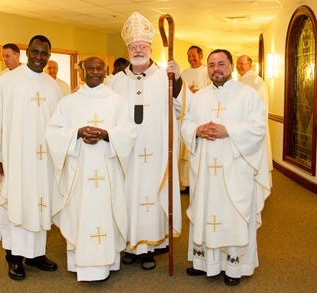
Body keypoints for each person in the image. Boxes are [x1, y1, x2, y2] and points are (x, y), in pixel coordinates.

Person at [0, 35, 60, 280]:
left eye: (44, 54)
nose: (39, 57)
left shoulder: (52, 86)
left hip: (43, 162)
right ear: (27, 51)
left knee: (39, 204)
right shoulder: (7, 81)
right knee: (16, 202)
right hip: (15, 158)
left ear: (48, 56)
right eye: (35, 52)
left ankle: (36, 254)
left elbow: (59, 125)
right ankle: (14, 258)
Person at [181, 49, 271, 286]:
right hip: (206, 171)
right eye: (211, 65)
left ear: (230, 66)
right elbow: (186, 124)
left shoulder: (248, 95)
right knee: (205, 211)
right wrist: (197, 131)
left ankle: (234, 267)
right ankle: (203, 263)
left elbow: (258, 127)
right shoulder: (199, 96)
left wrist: (227, 130)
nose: (216, 69)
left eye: (221, 64)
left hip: (235, 170)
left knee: (232, 214)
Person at [46, 56, 137, 282]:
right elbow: (53, 131)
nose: (95, 72)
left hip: (108, 170)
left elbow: (128, 132)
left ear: (105, 72)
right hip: (80, 170)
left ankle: (108, 262)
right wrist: (77, 133)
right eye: (90, 69)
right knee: (80, 211)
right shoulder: (69, 102)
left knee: (106, 211)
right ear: (82, 72)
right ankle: (80, 263)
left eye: (99, 69)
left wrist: (107, 135)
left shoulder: (118, 101)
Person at [109, 11, 182, 270]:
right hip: (127, 154)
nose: (138, 49)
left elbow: (182, 107)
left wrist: (180, 80)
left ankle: (149, 248)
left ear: (151, 49)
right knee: (127, 195)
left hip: (157, 151)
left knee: (151, 194)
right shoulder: (115, 81)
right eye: (133, 46)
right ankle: (130, 243)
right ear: (128, 49)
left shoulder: (166, 77)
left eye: (142, 46)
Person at [236, 55, 273, 185]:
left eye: (242, 63)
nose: (239, 66)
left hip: (252, 126)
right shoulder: (238, 81)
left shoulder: (256, 81)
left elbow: (259, 103)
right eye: (237, 63)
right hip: (241, 126)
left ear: (249, 65)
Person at [180, 45, 211, 193]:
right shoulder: (184, 73)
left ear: (201, 55)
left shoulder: (207, 71)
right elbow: (179, 92)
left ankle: (201, 181)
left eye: (193, 55)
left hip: (202, 115)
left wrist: (199, 93)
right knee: (186, 150)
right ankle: (186, 182)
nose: (191, 59)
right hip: (188, 114)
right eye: (188, 56)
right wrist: (188, 93)